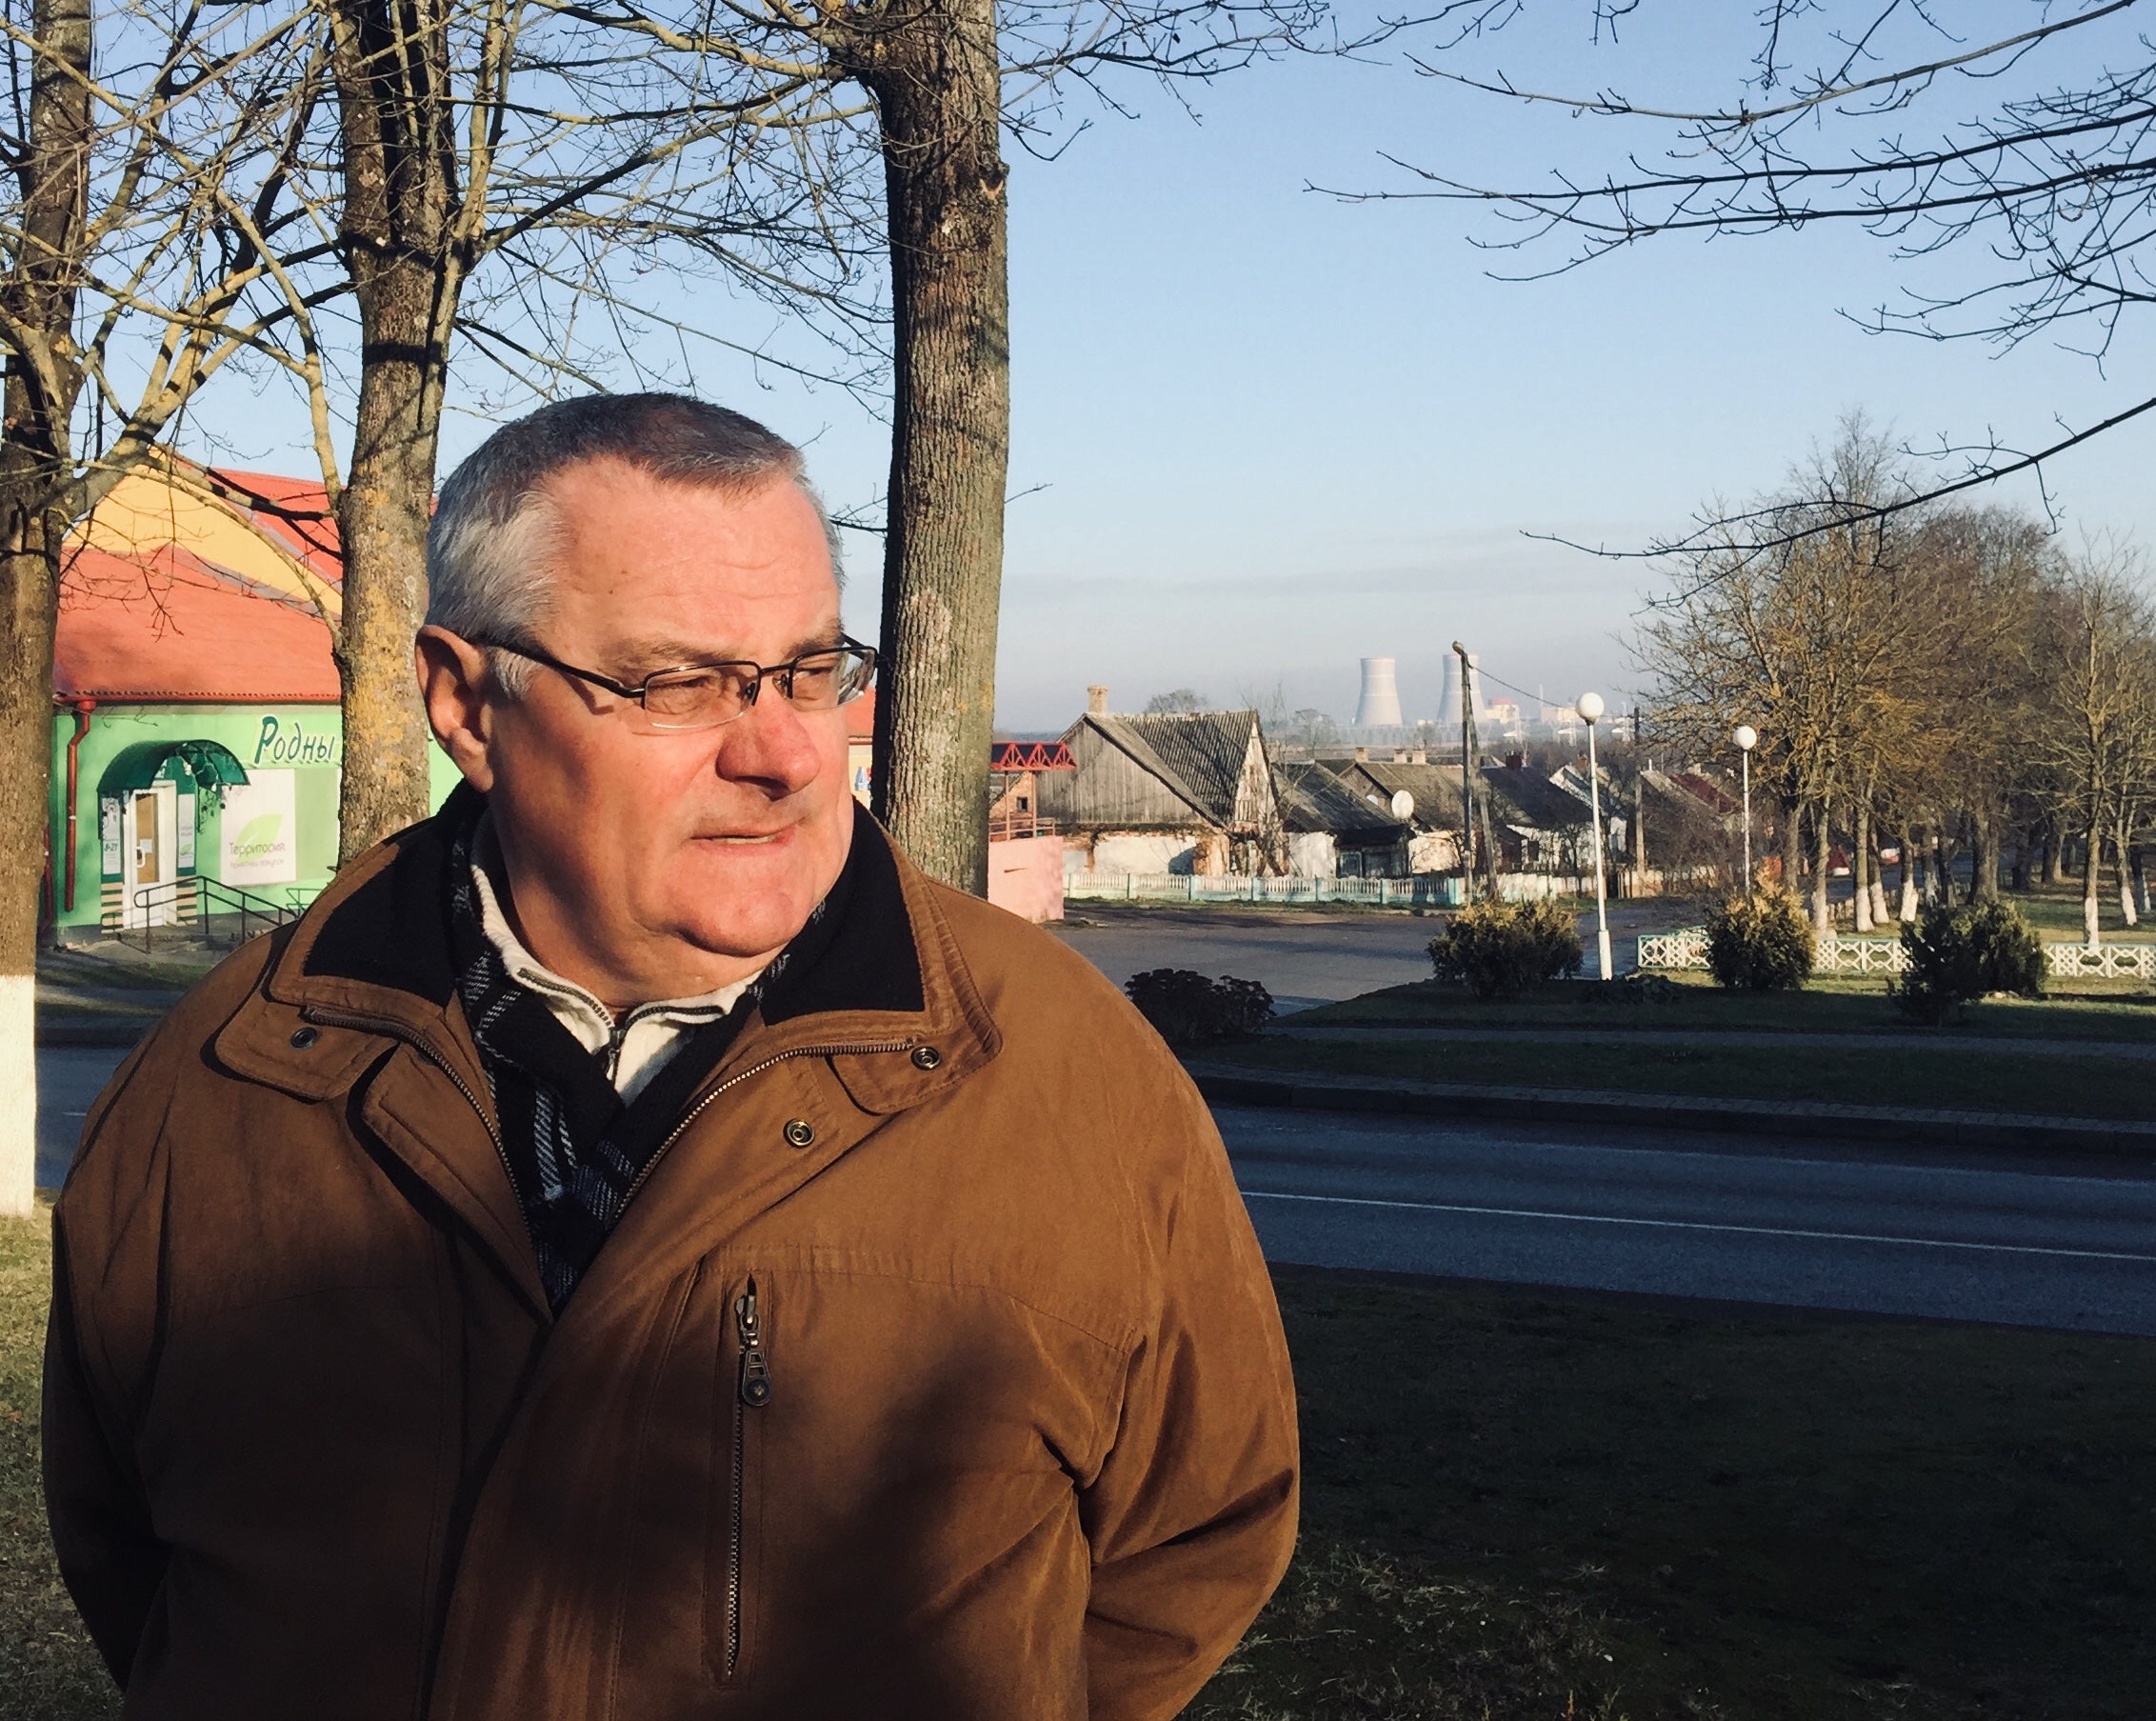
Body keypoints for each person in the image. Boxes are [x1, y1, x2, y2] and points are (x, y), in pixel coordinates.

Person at [44, 394, 1298, 1720]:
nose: (783, 755)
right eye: (676, 684)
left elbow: (1195, 1542)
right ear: (467, 705)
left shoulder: (1059, 1069)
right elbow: (136, 1556)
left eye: (812, 672)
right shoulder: (232, 1079)